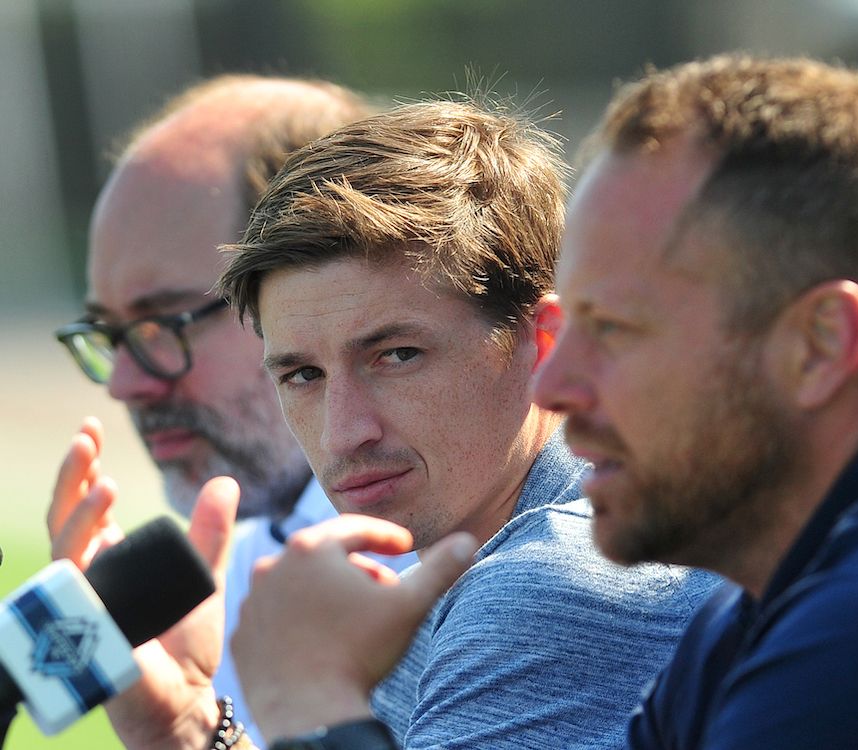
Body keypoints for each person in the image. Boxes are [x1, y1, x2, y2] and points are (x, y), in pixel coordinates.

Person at [229, 54, 858, 749]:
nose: (559, 383)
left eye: (619, 330)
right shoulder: (767, 606)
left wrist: (310, 707)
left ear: (820, 346)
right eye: (299, 374)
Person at [80, 97, 720, 750]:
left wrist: (304, 695)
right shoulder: (475, 560)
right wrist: (186, 729)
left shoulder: (551, 582)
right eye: (303, 375)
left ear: (544, 344)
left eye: (396, 356)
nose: (342, 434)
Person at [46, 73, 418, 744]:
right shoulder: (231, 569)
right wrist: (188, 729)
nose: (126, 382)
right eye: (108, 332)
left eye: (163, 323)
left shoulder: (483, 559)